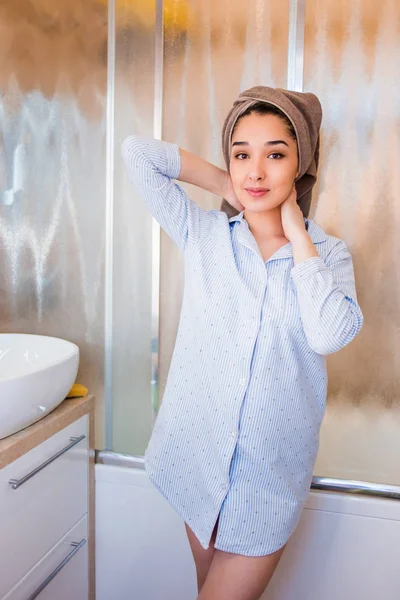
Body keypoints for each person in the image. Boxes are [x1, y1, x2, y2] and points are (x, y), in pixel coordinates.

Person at [122, 86, 364, 600]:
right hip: (198, 461)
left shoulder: (327, 255)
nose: (256, 171)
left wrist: (299, 237)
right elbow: (136, 153)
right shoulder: (205, 234)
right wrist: (225, 184)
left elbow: (328, 333)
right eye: (242, 154)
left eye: (275, 154)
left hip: (266, 480)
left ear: (301, 162)